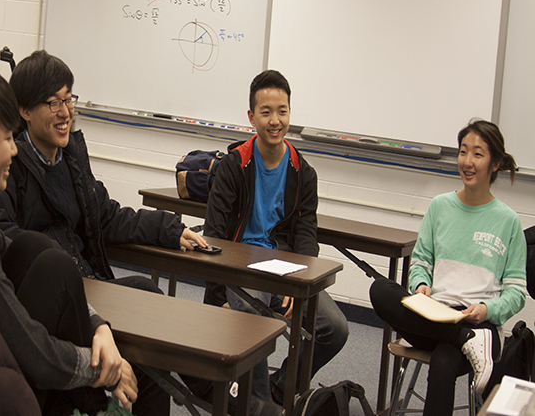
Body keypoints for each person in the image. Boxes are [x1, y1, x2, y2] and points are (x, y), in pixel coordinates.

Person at [0, 60, 137, 415]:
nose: (14, 149)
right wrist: (105, 370)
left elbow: (23, 251)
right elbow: (33, 351)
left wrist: (98, 327)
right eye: (6, 138)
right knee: (128, 381)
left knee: (40, 250)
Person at [0, 50, 206, 288]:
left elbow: (107, 216)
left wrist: (167, 229)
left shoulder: (71, 162)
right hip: (47, 292)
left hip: (83, 283)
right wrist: (54, 255)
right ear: (25, 110)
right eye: (53, 103)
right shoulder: (7, 166)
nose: (65, 113)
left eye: (68, 100)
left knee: (146, 290)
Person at [203, 69, 349, 405]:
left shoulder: (302, 171)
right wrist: (217, 294)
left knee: (335, 329)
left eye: (282, 111)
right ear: (251, 117)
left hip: (284, 267)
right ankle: (259, 408)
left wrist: (303, 286)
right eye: (266, 112)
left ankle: (280, 389)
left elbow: (306, 234)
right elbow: (214, 234)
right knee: (252, 326)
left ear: (289, 114)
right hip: (241, 267)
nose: (275, 120)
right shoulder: (234, 166)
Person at [370, 119, 527, 416]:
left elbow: (516, 292)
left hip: (480, 323)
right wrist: (420, 285)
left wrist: (487, 310)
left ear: (494, 164)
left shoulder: (508, 221)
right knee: (380, 289)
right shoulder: (440, 206)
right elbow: (421, 262)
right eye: (463, 152)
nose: (467, 162)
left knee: (443, 361)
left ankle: (469, 337)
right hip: (436, 316)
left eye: (478, 154)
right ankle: (465, 339)